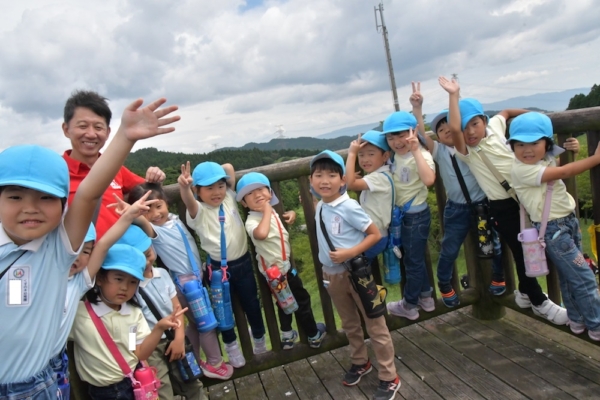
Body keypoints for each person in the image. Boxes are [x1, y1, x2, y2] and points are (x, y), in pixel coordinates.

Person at [0, 96, 179, 398]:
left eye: (46, 198)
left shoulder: (60, 253)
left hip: (46, 378)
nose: (30, 208)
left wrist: (125, 137)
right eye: (15, 197)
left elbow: (88, 196)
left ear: (62, 206)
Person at [439, 76, 568, 324]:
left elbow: (506, 112)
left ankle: (525, 295)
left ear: (484, 121)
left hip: (526, 200)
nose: (470, 131)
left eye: (475, 124)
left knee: (536, 247)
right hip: (503, 207)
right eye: (464, 127)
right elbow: (454, 129)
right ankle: (539, 302)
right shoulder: (468, 152)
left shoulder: (496, 130)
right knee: (523, 253)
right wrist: (453, 95)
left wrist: (540, 119)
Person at [310, 150, 400, 400]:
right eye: (318, 175)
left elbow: (375, 234)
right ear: (311, 181)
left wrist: (349, 252)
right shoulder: (320, 205)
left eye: (331, 175)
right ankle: (361, 361)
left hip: (358, 274)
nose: (324, 181)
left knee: (375, 324)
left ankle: (389, 376)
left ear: (342, 180)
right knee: (349, 323)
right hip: (332, 275)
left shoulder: (348, 206)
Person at [410, 82, 506, 307]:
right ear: (438, 137)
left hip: (483, 205)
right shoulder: (439, 151)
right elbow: (421, 134)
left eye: (450, 126)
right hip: (456, 208)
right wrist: (417, 108)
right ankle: (445, 283)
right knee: (450, 248)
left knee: (493, 243)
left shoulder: (471, 147)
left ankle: (498, 276)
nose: (446, 131)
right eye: (441, 130)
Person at [125, 182, 233, 379]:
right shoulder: (154, 231)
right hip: (186, 286)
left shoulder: (173, 219)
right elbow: (141, 220)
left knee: (195, 324)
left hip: (194, 281)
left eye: (159, 206)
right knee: (207, 325)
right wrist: (129, 210)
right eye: (147, 210)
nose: (155, 214)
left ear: (166, 203)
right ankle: (214, 364)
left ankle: (193, 360)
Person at [508, 112, 600, 340]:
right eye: (520, 144)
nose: (527, 150)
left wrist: (573, 150)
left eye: (534, 143)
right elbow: (565, 172)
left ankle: (577, 320)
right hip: (554, 231)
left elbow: (559, 165)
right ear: (512, 147)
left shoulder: (540, 162)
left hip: (566, 223)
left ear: (546, 144)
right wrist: (596, 158)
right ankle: (597, 325)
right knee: (584, 277)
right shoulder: (521, 169)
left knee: (570, 277)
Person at [69, 243, 186, 400]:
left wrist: (159, 328)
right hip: (104, 392)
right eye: (118, 279)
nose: (124, 287)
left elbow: (137, 351)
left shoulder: (132, 314)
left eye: (132, 282)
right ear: (100, 278)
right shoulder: (80, 314)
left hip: (134, 382)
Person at [179, 161, 267, 368]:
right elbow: (189, 201)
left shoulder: (228, 197)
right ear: (197, 191)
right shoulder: (199, 212)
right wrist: (185, 187)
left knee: (252, 304)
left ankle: (259, 340)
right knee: (222, 311)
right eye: (209, 188)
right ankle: (232, 347)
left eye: (220, 186)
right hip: (218, 270)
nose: (217, 192)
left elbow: (228, 167)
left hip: (243, 263)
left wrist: (216, 175)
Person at [236, 172, 327, 350]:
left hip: (282, 270)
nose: (257, 194)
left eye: (261, 189)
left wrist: (291, 214)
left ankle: (287, 336)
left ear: (270, 193)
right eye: (250, 193)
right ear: (244, 203)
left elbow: (276, 223)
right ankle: (313, 335)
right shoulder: (252, 221)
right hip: (276, 274)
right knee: (301, 301)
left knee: (284, 302)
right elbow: (261, 234)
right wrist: (267, 210)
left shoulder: (271, 213)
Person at [62, 90, 167, 239]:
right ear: (66, 129)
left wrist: (156, 177)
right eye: (83, 126)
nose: (91, 134)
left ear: (107, 132)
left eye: (98, 127)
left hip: (125, 250)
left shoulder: (115, 169)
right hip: (82, 253)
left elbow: (147, 190)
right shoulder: (56, 172)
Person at [382, 110, 436, 320]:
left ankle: (409, 305)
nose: (397, 141)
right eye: (391, 137)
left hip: (416, 217)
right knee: (415, 259)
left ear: (414, 132)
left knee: (412, 262)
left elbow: (429, 180)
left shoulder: (421, 155)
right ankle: (426, 297)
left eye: (401, 135)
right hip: (405, 217)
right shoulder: (396, 155)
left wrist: (415, 150)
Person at [345, 130, 394, 261]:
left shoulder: (379, 178)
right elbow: (350, 182)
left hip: (374, 237)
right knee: (358, 267)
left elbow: (351, 184)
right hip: (374, 235)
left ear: (385, 156)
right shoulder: (378, 175)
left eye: (371, 154)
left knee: (351, 264)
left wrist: (352, 154)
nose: (365, 159)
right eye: (360, 155)